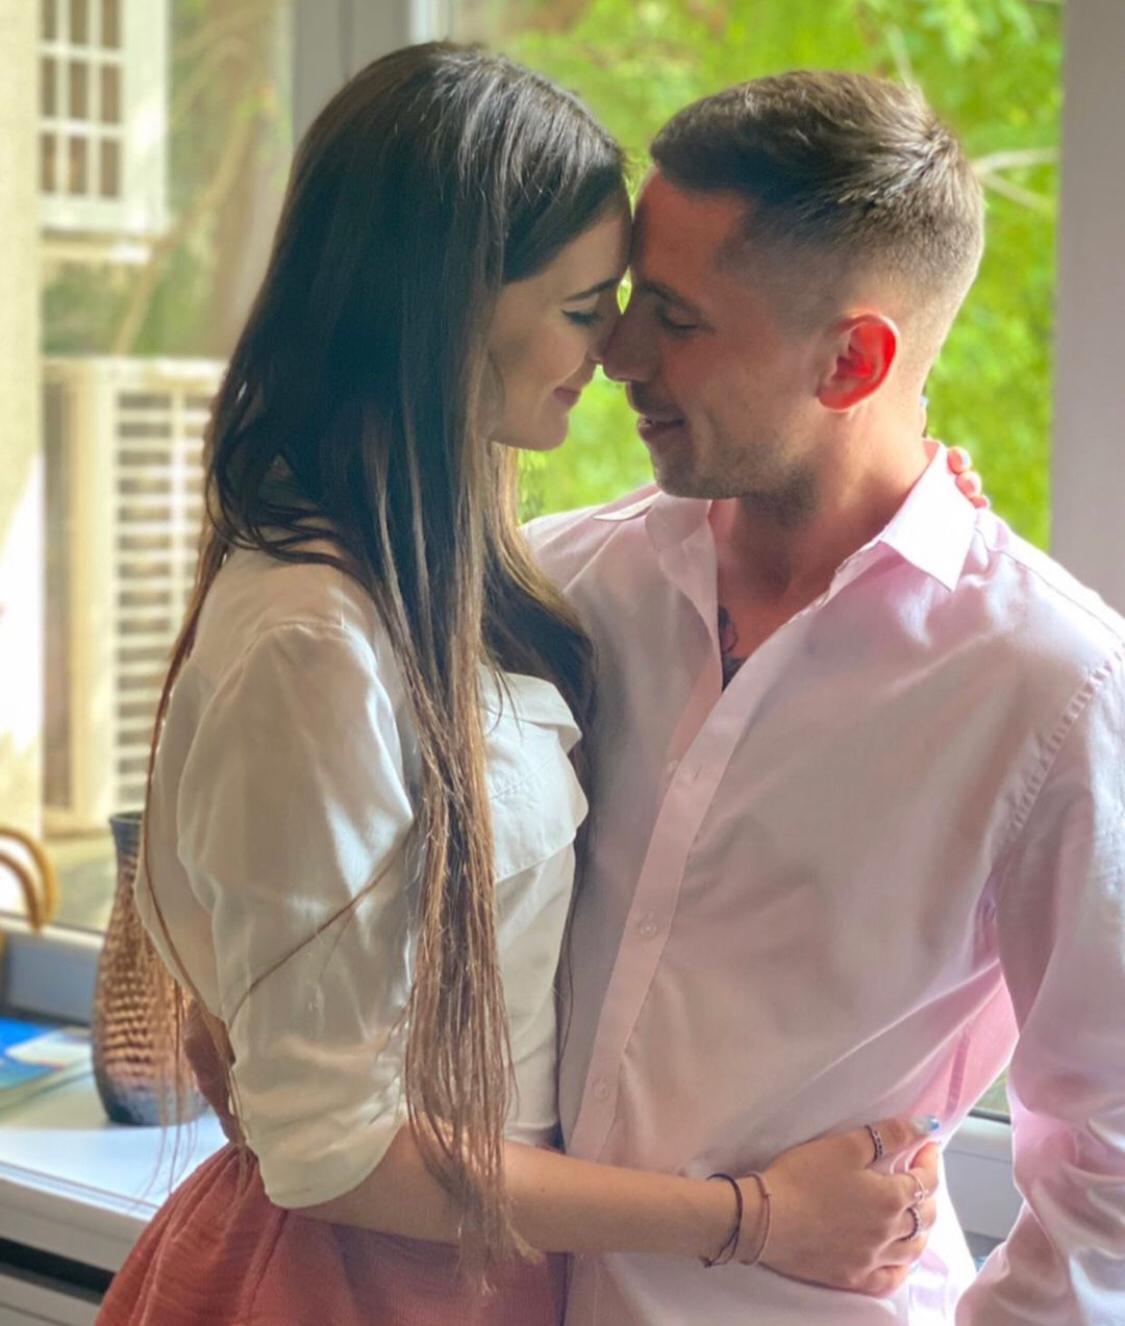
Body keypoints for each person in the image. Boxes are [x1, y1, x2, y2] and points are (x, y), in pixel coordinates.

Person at [94, 46, 966, 1326]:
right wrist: (760, 1219)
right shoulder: (313, 639)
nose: (616, 351)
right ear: (446, 317)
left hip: (478, 1268)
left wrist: (921, 528)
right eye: (585, 306)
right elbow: (333, 1152)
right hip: (362, 1284)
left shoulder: (475, 582)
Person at [527, 69, 1125, 1325]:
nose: (618, 352)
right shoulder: (564, 587)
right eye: (629, 299)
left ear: (853, 361)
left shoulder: (1052, 687)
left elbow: (1111, 1164)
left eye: (676, 318)